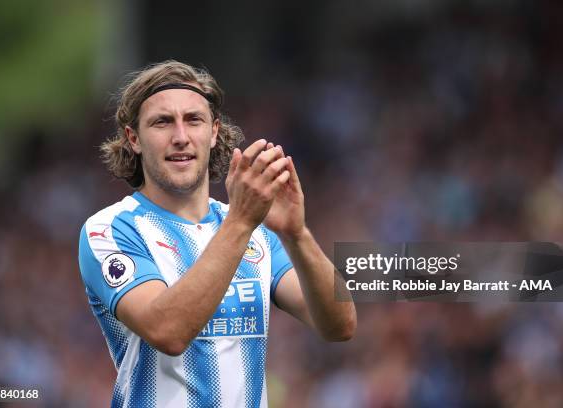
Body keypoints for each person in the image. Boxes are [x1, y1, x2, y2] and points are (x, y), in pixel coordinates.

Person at [78, 60, 356, 407]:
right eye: (162, 122)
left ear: (213, 132)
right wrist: (240, 222)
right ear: (134, 138)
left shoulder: (255, 229)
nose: (181, 137)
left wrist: (297, 234)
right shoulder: (111, 229)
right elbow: (168, 331)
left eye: (194, 120)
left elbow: (339, 325)